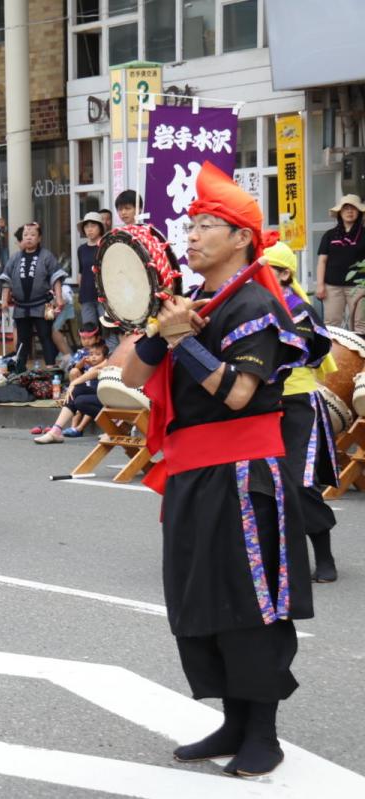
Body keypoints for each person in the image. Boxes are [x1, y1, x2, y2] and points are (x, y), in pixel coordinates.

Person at [121, 162, 312, 778]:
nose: (193, 234)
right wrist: (162, 330)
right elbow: (130, 377)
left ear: (242, 239)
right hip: (193, 471)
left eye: (208, 224)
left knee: (248, 599)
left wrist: (182, 342)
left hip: (244, 471)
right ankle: (232, 720)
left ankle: (264, 734)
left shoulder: (258, 302)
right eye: (192, 223)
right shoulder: (196, 300)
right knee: (198, 595)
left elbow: (235, 394)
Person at [266, 240, 340, 583]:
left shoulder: (299, 310)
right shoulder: (253, 305)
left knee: (300, 482)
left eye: (270, 270)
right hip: (259, 405)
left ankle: (324, 556)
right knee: (261, 482)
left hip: (298, 403)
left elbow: (314, 351)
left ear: (285, 274)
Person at [0, 222, 66, 372]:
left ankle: (50, 367)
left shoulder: (47, 256)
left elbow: (56, 278)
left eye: (33, 235)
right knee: (22, 339)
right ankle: (20, 369)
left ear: (39, 238)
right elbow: (6, 280)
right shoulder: (15, 258)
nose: (29, 238)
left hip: (44, 304)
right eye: (26, 235)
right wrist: (4, 301)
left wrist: (59, 298)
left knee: (46, 335)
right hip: (21, 306)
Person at [32, 334, 110, 443]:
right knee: (77, 393)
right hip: (100, 396)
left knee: (79, 398)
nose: (93, 357)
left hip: (111, 398)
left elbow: (96, 371)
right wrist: (73, 385)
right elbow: (82, 370)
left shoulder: (110, 360)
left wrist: (73, 384)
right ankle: (56, 430)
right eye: (91, 354)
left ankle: (110, 429)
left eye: (97, 354)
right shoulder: (84, 357)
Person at [315, 194, 365, 333]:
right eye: (346, 208)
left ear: (359, 212)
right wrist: (320, 285)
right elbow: (322, 261)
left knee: (360, 325)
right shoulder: (329, 235)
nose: (349, 211)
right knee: (331, 324)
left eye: (353, 208)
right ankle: (333, 355)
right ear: (340, 213)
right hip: (332, 287)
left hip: (359, 287)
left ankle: (360, 354)